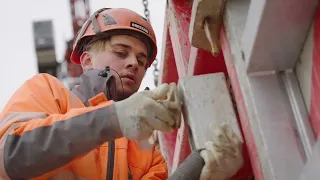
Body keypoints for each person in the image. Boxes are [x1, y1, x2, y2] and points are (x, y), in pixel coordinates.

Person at [0, 8, 243, 180]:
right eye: (120, 52)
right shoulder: (48, 91)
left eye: (141, 59)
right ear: (86, 60)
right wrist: (113, 118)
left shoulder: (146, 151)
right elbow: (10, 155)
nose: (134, 64)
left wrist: (200, 167)